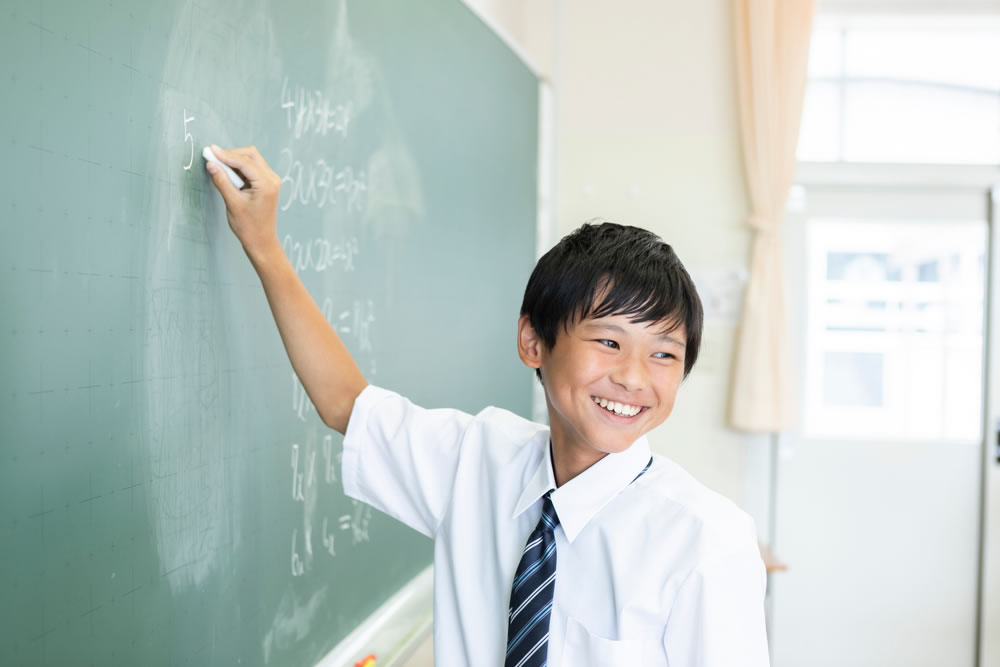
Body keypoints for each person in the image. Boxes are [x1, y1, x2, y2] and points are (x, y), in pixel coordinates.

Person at [205, 145, 770, 666]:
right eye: (608, 342)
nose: (633, 377)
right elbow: (344, 404)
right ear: (533, 342)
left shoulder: (707, 543)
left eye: (664, 354)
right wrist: (264, 246)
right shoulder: (477, 461)